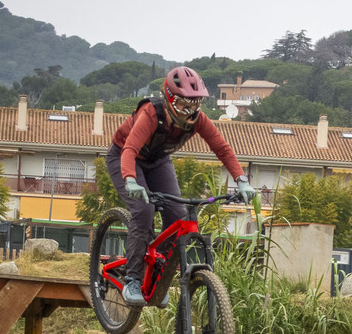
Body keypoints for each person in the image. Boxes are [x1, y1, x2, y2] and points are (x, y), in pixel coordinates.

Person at [105, 66, 256, 306]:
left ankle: (157, 275)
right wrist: (130, 179)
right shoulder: (150, 114)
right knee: (143, 211)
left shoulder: (198, 120)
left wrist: (242, 180)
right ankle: (132, 278)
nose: (191, 112)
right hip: (124, 158)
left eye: (196, 105)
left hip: (158, 161)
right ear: (169, 101)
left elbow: (222, 148)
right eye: (185, 105)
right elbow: (130, 149)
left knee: (178, 217)